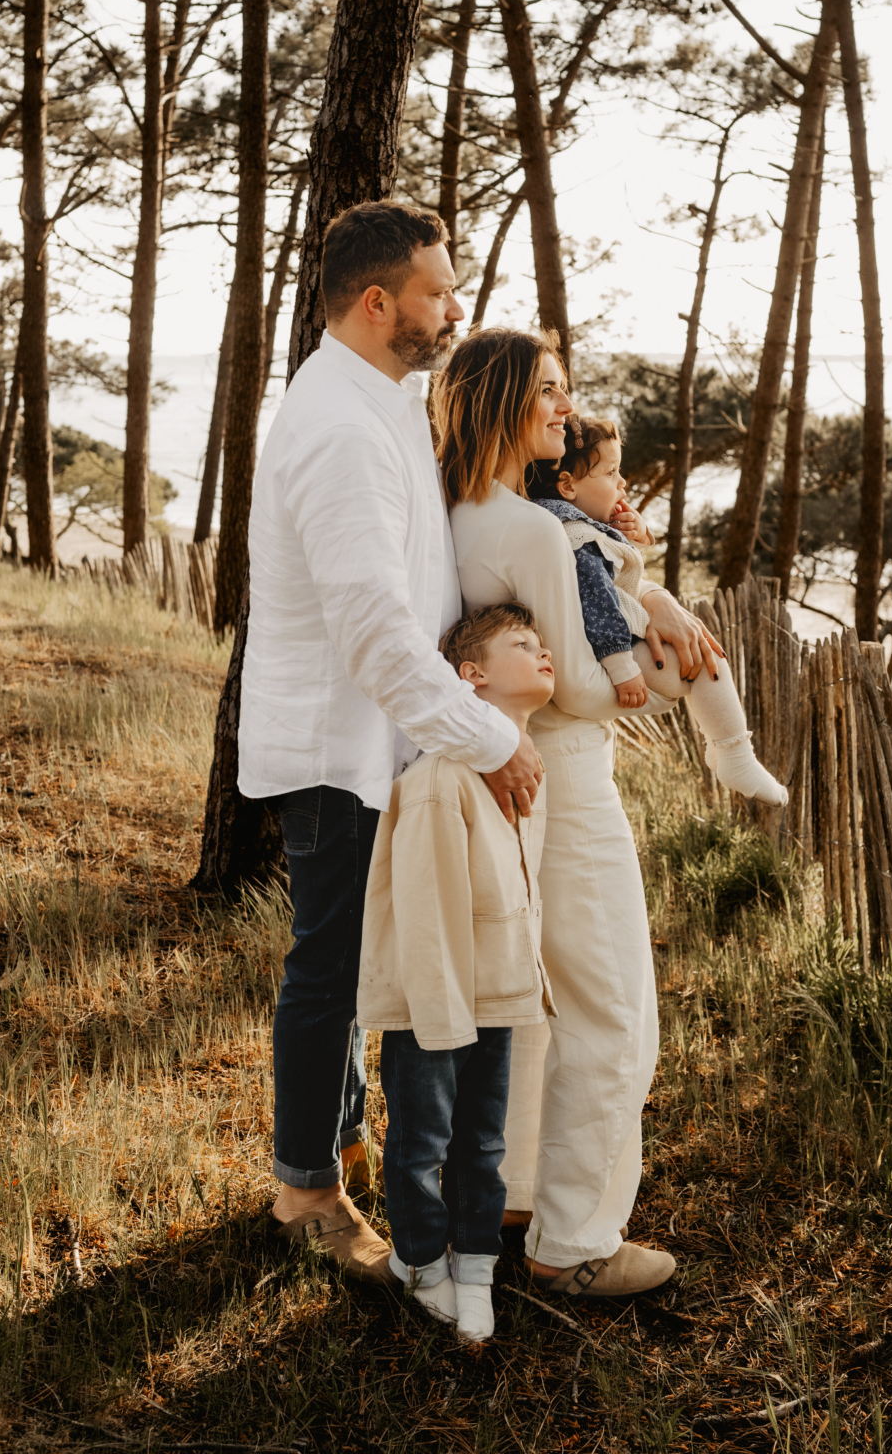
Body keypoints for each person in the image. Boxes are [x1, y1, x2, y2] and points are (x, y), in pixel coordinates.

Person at [238, 202, 544, 1282]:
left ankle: (343, 1140)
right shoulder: (338, 429)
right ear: (378, 303)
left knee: (360, 959)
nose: (455, 309)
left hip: (389, 742)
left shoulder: (386, 398)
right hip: (341, 749)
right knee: (329, 968)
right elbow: (373, 634)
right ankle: (304, 1190)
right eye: (437, 293)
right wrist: (488, 738)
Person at [435, 328, 727, 1299]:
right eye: (551, 392)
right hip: (563, 778)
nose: (567, 409)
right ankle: (577, 1243)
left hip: (499, 781)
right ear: (504, 401)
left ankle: (518, 1197)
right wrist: (667, 662)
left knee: (535, 1001)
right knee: (613, 1007)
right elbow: (585, 691)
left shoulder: (456, 515)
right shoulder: (526, 529)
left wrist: (642, 593)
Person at [357, 604, 557, 1342]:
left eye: (541, 643)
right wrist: (442, 1019)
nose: (543, 652)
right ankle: (418, 1261)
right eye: (522, 644)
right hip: (434, 1005)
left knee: (483, 1141)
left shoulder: (524, 773)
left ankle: (475, 1264)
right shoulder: (443, 780)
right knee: (422, 1141)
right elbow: (426, 912)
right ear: (471, 677)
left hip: (494, 998)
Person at [527, 412, 787, 804]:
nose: (622, 482)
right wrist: (623, 669)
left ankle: (721, 748)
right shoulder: (579, 539)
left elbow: (621, 567)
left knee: (700, 658)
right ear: (567, 485)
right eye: (611, 473)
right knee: (706, 661)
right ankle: (734, 754)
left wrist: (638, 532)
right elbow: (599, 607)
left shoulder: (574, 524)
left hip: (620, 641)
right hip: (616, 648)